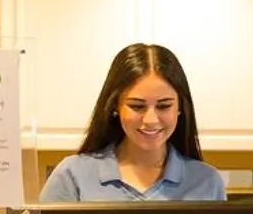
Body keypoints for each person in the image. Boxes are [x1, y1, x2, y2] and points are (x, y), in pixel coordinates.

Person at [39, 43, 228, 202]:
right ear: (115, 106)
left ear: (180, 108)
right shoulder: (72, 176)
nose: (151, 120)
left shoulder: (207, 182)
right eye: (137, 106)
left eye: (164, 106)